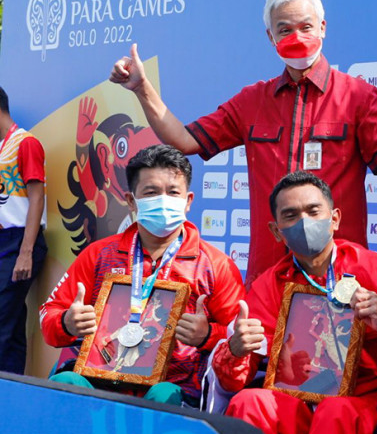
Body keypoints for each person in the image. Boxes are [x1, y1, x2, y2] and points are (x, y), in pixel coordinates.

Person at [109, 0, 377, 285]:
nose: (296, 37)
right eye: (284, 30)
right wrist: (141, 88)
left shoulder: (357, 96)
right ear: (270, 36)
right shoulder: (252, 101)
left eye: (306, 27)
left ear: (322, 28)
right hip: (270, 275)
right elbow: (185, 140)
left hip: (340, 273)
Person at [212, 171, 377, 434]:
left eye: (313, 212)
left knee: (335, 411)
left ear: (335, 218)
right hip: (291, 404)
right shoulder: (268, 286)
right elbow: (237, 378)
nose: (304, 222)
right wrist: (235, 350)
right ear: (275, 231)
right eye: (291, 215)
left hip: (358, 406)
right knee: (248, 402)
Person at [40, 144, 245, 406]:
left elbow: (236, 341)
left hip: (173, 389)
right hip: (99, 378)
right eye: (151, 192)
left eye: (173, 192)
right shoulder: (99, 254)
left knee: (163, 398)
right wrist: (67, 322)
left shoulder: (215, 265)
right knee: (65, 384)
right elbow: (50, 313)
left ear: (188, 201)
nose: (163, 200)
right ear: (131, 201)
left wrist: (207, 335)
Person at [0, 86, 48, 374]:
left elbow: (37, 196)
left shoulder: (25, 142)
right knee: (12, 322)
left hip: (20, 240)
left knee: (3, 321)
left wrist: (25, 252)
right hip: (4, 239)